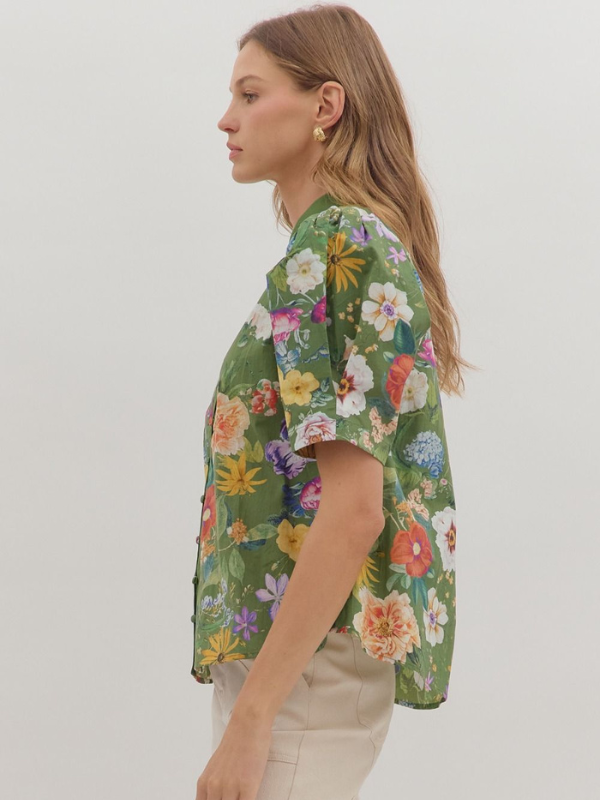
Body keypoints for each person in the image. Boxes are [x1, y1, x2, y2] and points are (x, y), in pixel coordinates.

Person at [192, 5, 476, 799]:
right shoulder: (327, 249)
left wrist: (255, 719)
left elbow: (354, 510)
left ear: (326, 105)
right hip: (295, 663)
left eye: (251, 94)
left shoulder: (342, 247)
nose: (227, 119)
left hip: (301, 678)